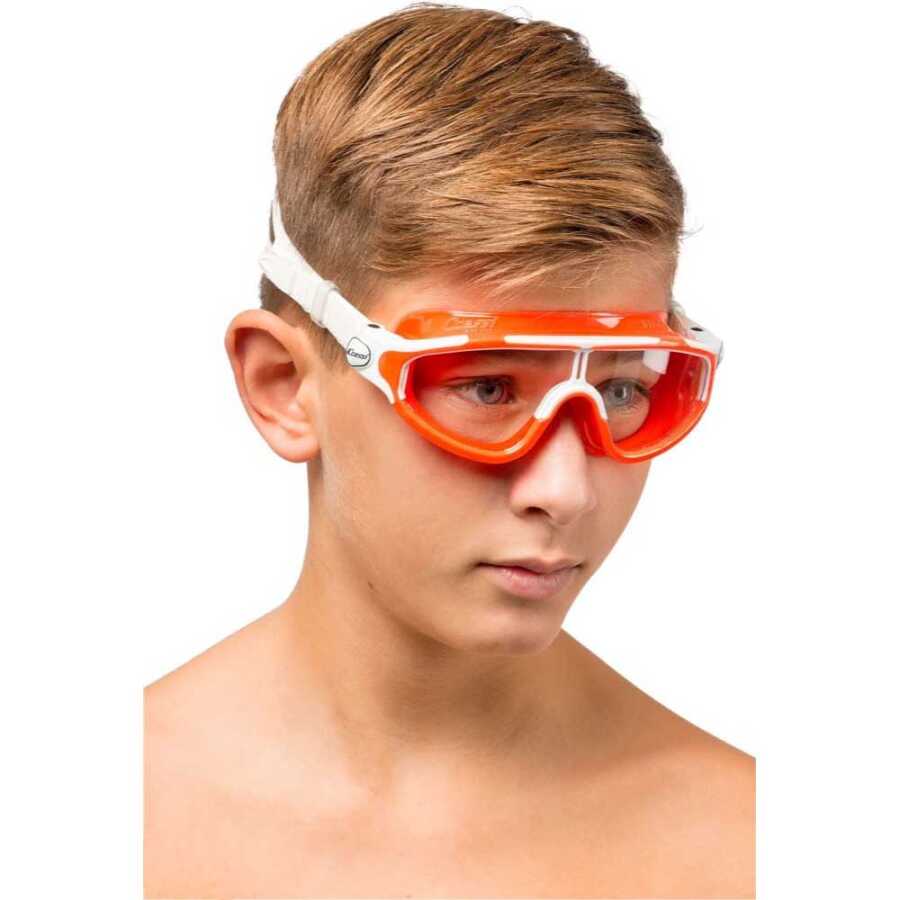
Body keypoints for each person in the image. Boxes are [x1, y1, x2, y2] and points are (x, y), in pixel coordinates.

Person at [144, 4, 755, 897]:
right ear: (284, 386)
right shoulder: (98, 814)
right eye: (487, 389)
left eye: (622, 389)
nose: (567, 491)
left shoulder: (747, 849)